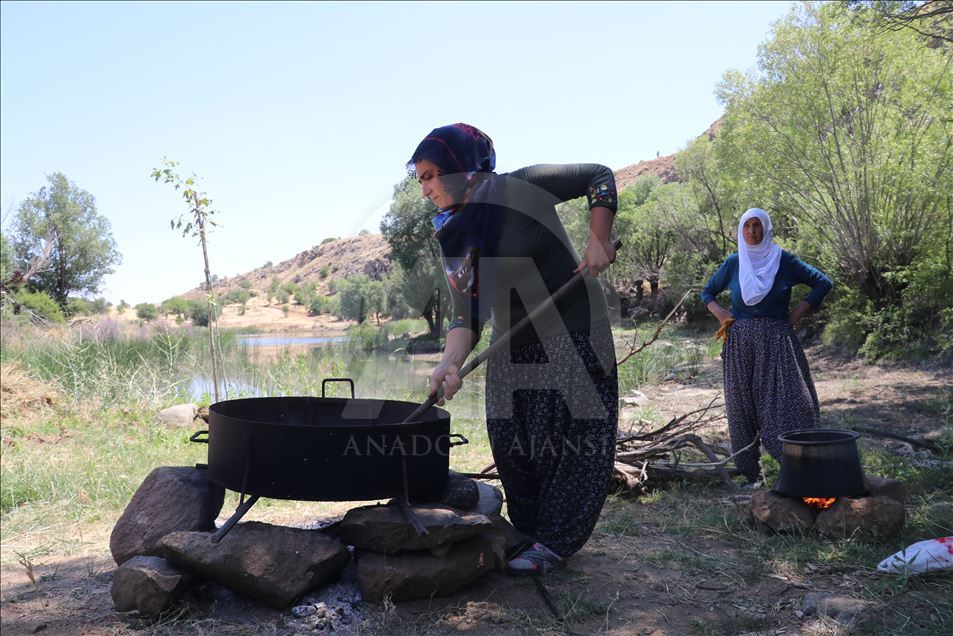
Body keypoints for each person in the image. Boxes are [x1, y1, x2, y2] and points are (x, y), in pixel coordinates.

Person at [408, 123, 619, 576]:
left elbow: (598, 176)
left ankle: (555, 543)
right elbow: (465, 315)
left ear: (462, 167)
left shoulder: (523, 187)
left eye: (430, 175)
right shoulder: (452, 233)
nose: (424, 188)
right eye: (420, 178)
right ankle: (529, 531)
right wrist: (448, 364)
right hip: (513, 346)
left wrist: (599, 235)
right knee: (512, 441)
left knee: (571, 443)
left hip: (575, 335)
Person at [700, 208, 832, 488]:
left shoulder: (783, 261)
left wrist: (795, 315)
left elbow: (823, 282)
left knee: (792, 402)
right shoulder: (735, 263)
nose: (752, 232)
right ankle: (751, 474)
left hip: (777, 343)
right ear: (741, 230)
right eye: (747, 226)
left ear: (767, 228)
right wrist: (722, 315)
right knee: (741, 406)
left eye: (757, 225)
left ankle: (797, 468)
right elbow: (707, 292)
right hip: (739, 345)